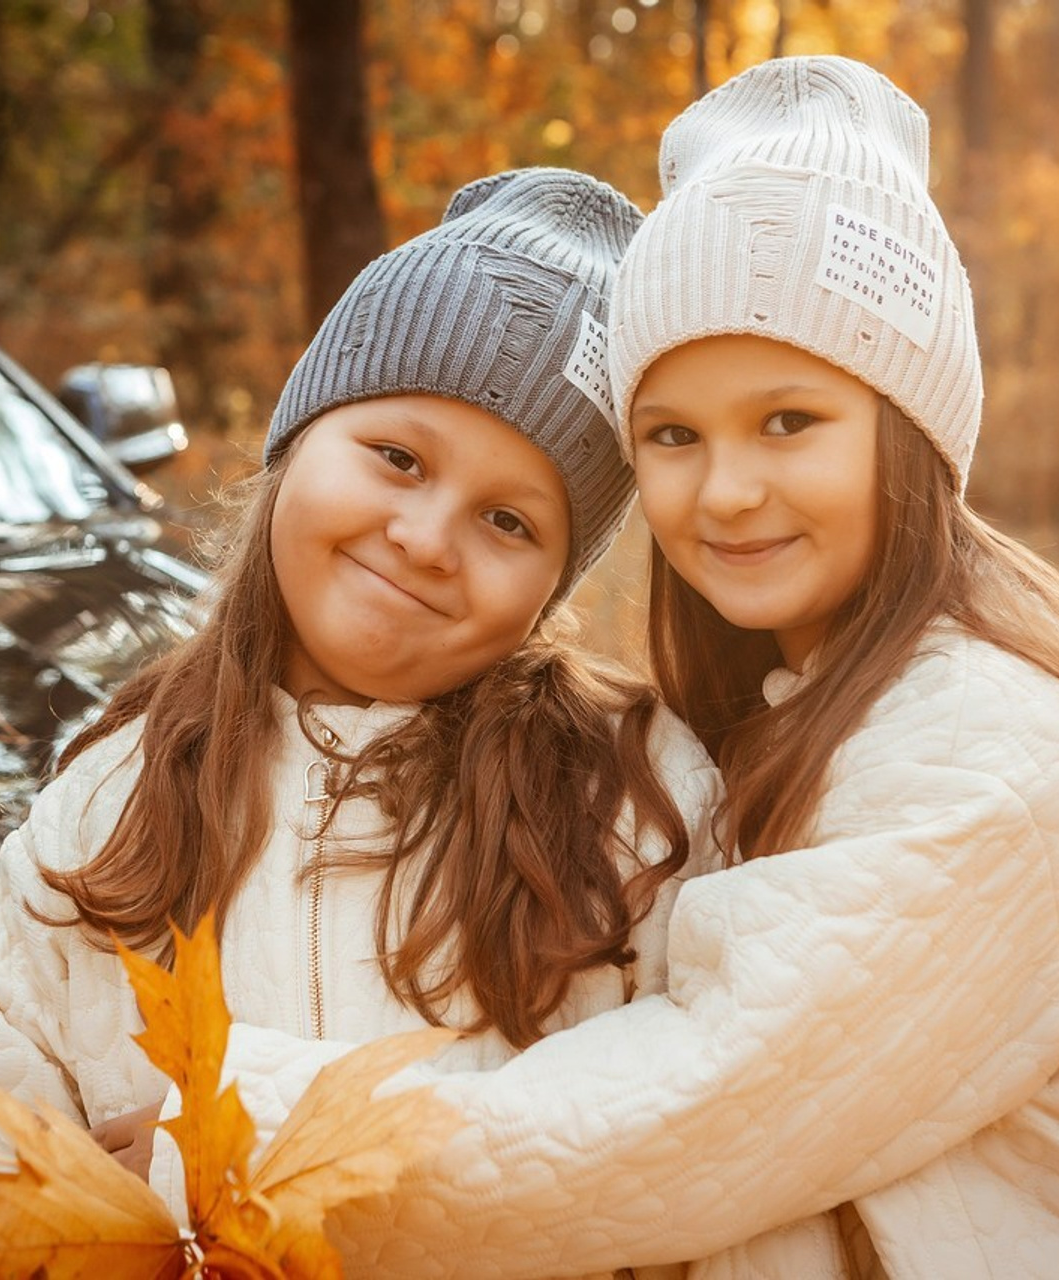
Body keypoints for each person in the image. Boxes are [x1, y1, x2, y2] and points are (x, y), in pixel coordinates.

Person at [201, 57, 1059, 1278]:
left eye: (787, 420)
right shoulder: (786, 709)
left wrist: (248, 1122)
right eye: (670, 434)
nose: (724, 489)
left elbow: (686, 1113)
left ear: (908, 426)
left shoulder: (990, 751)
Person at [0, 167, 723, 1278]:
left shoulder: (626, 799)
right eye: (397, 456)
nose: (425, 535)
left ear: (550, 586)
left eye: (509, 518)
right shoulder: (115, 788)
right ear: (295, 443)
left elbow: (683, 1125)